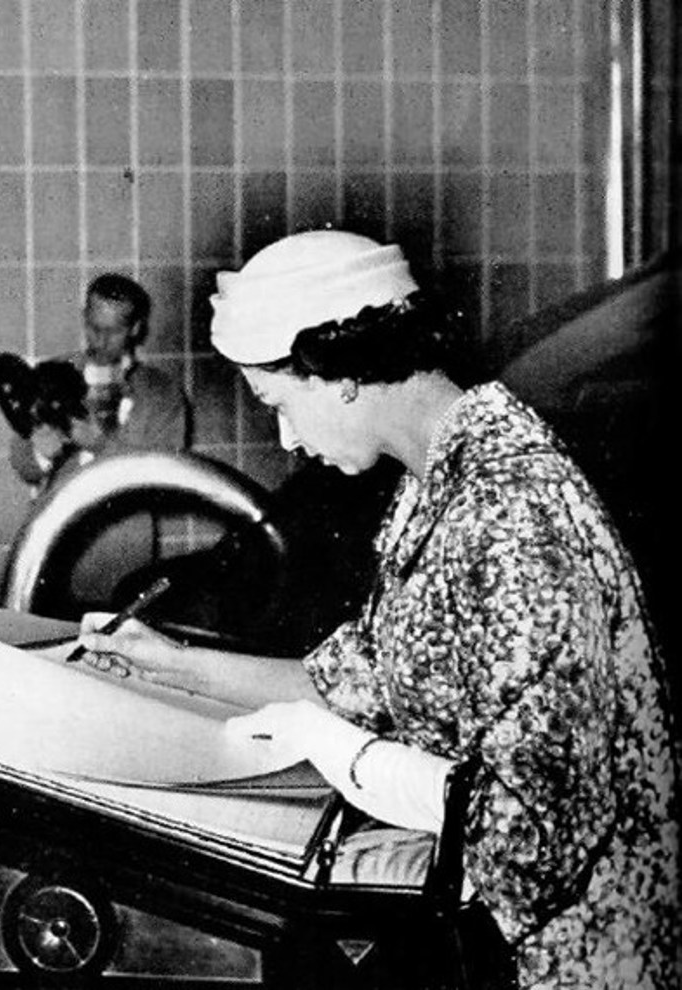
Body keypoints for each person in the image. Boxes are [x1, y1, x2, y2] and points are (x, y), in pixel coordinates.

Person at [75, 231, 679, 989]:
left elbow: (533, 835)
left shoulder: (512, 513)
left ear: (342, 376)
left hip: (579, 964)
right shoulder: (436, 482)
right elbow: (354, 678)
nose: (287, 439)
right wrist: (170, 662)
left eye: (279, 404)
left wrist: (345, 753)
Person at [7, 273, 190, 495]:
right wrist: (41, 454)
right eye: (94, 328)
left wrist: (101, 445)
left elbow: (166, 479)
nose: (100, 341)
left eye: (113, 331)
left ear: (135, 328)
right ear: (84, 317)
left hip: (126, 528)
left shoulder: (161, 393)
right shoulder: (53, 372)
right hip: (61, 525)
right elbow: (23, 465)